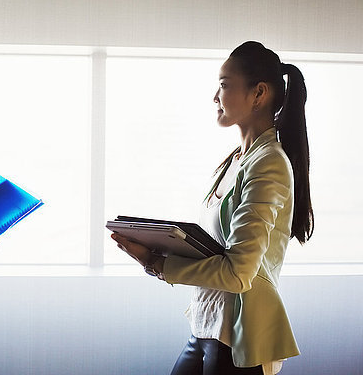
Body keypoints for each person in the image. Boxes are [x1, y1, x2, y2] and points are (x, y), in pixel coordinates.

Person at [112, 41, 314, 375]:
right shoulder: (235, 161)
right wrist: (161, 242)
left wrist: (156, 262)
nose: (215, 97)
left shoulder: (269, 163)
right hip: (206, 324)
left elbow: (238, 273)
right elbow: (215, 249)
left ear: (258, 93)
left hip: (238, 339)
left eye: (223, 85)